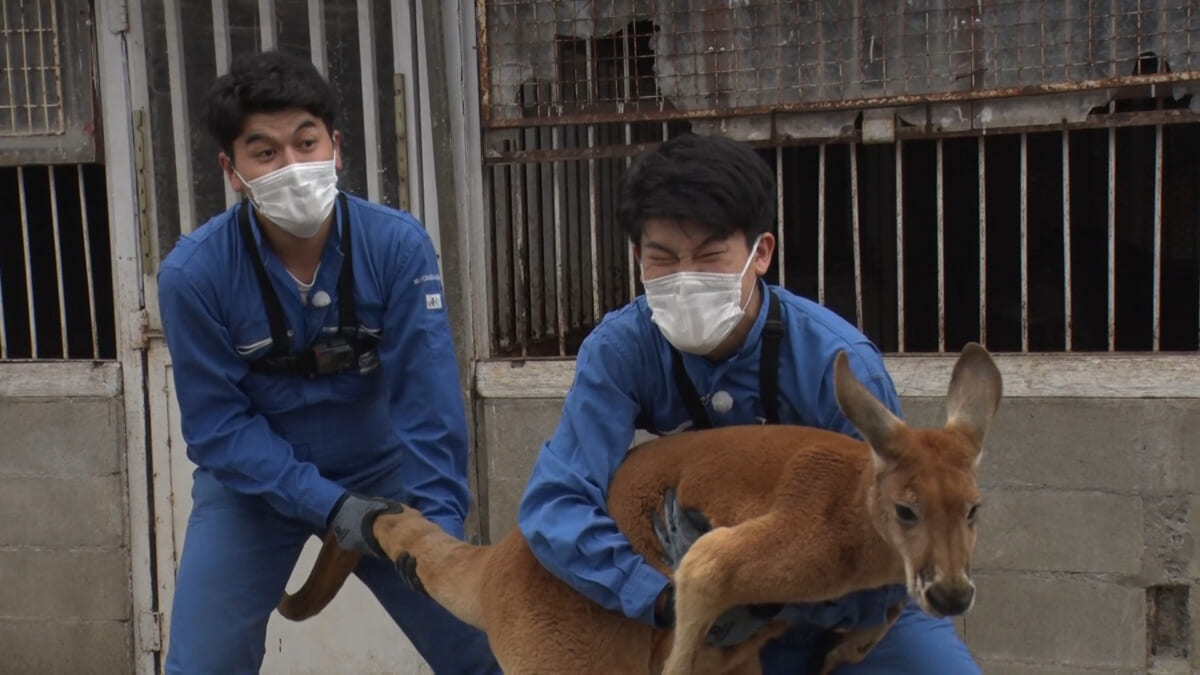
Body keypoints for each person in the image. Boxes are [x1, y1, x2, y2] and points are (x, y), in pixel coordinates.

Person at [516, 132, 982, 673]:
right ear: (637, 257)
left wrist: (769, 592)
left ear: (760, 252)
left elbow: (887, 527)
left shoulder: (837, 364)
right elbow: (557, 504)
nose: (686, 280)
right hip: (688, 599)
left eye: (711, 256)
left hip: (845, 601)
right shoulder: (620, 351)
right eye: (663, 258)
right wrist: (658, 595)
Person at [157, 50, 499, 674]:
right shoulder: (193, 274)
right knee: (203, 664)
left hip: (384, 479)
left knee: (482, 649)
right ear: (232, 170)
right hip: (253, 489)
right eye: (265, 152)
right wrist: (329, 506)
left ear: (336, 148)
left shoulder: (396, 245)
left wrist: (437, 535)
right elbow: (218, 429)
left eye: (305, 142)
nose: (292, 165)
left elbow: (429, 402)